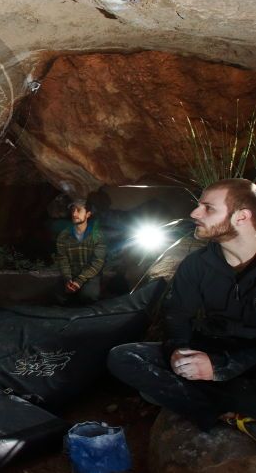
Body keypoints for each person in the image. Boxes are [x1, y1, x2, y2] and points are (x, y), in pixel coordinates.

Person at [107, 178, 256, 440]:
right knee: (123, 358)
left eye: (208, 208)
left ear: (241, 217)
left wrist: (221, 367)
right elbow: (177, 316)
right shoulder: (196, 265)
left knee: (155, 389)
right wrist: (178, 350)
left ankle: (207, 399)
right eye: (198, 205)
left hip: (248, 361)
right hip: (209, 346)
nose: (194, 214)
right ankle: (225, 412)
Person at [54, 199, 106, 304]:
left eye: (79, 210)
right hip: (71, 275)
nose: (74, 213)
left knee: (88, 297)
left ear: (88, 214)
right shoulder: (64, 235)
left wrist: (80, 280)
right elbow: (62, 259)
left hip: (89, 276)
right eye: (73, 210)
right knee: (59, 298)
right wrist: (68, 279)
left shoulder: (97, 235)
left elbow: (98, 262)